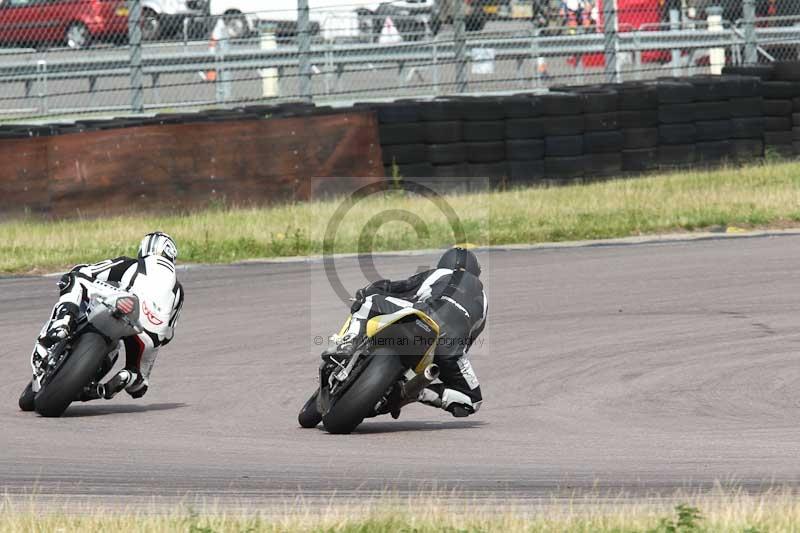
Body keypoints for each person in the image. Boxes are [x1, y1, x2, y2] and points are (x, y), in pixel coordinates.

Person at [323, 247, 487, 418]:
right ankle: (417, 392)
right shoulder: (484, 302)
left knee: (370, 301)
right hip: (450, 346)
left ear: (445, 263)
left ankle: (348, 343)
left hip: (425, 316)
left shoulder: (441, 273)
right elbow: (470, 338)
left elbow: (400, 288)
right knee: (473, 400)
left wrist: (366, 291)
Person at [28, 232, 184, 403]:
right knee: (139, 386)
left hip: (127, 303)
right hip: (151, 334)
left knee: (74, 278)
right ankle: (127, 377)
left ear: (145, 248)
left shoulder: (134, 264)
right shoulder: (178, 292)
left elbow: (87, 271)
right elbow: (168, 335)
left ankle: (62, 324)